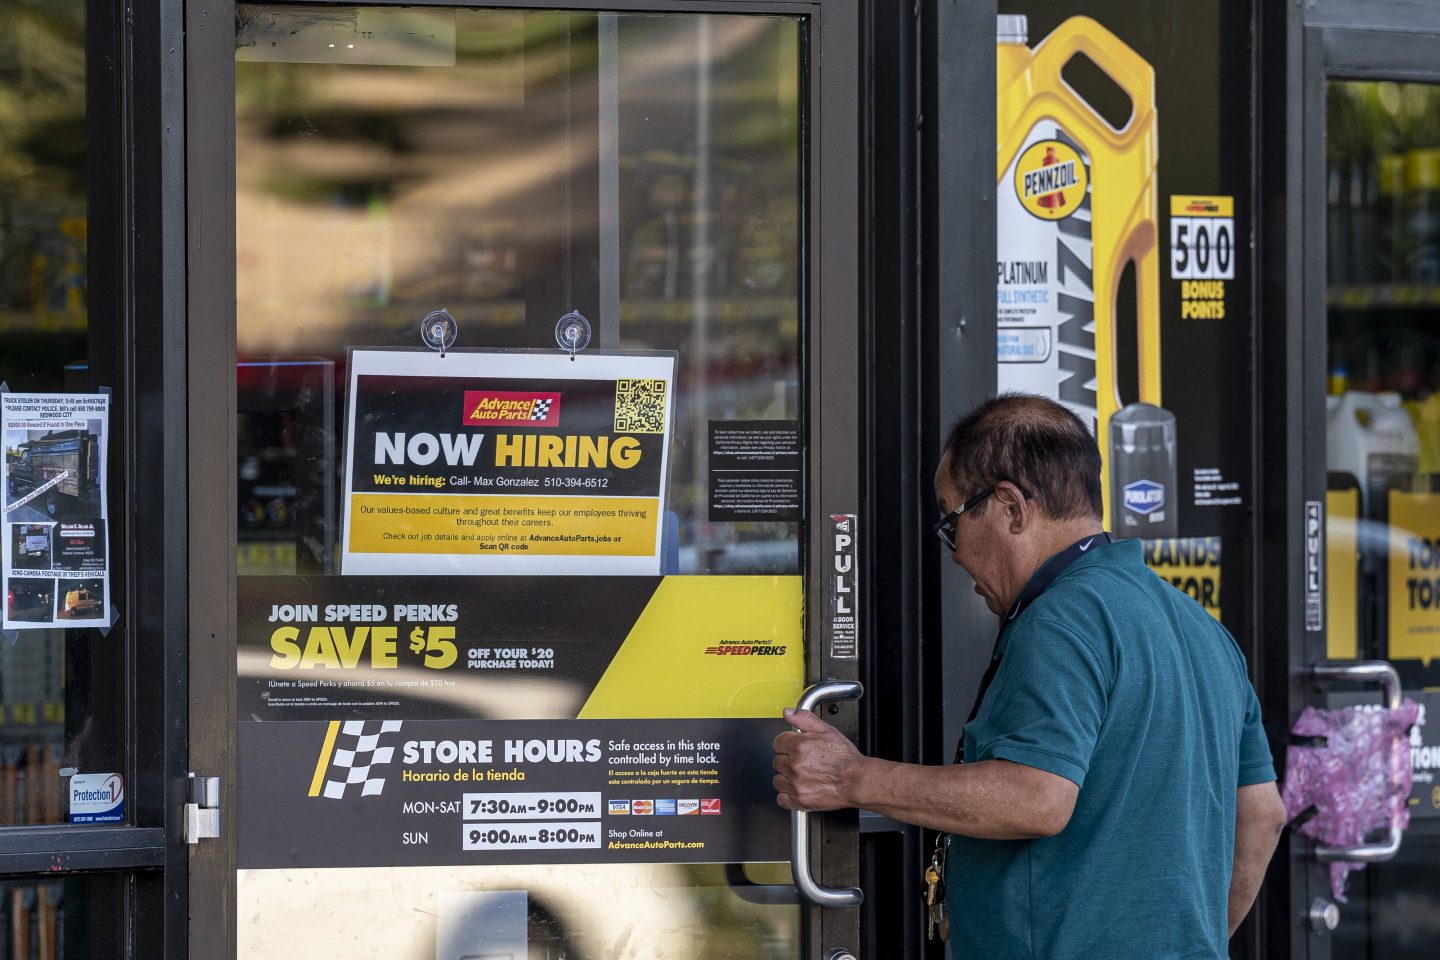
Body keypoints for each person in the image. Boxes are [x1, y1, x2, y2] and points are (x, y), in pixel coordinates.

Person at [772, 394, 1287, 959]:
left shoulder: (1063, 618)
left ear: (1011, 507)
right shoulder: (1203, 628)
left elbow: (1035, 799)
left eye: (952, 523)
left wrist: (851, 778)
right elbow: (1262, 817)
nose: (955, 554)